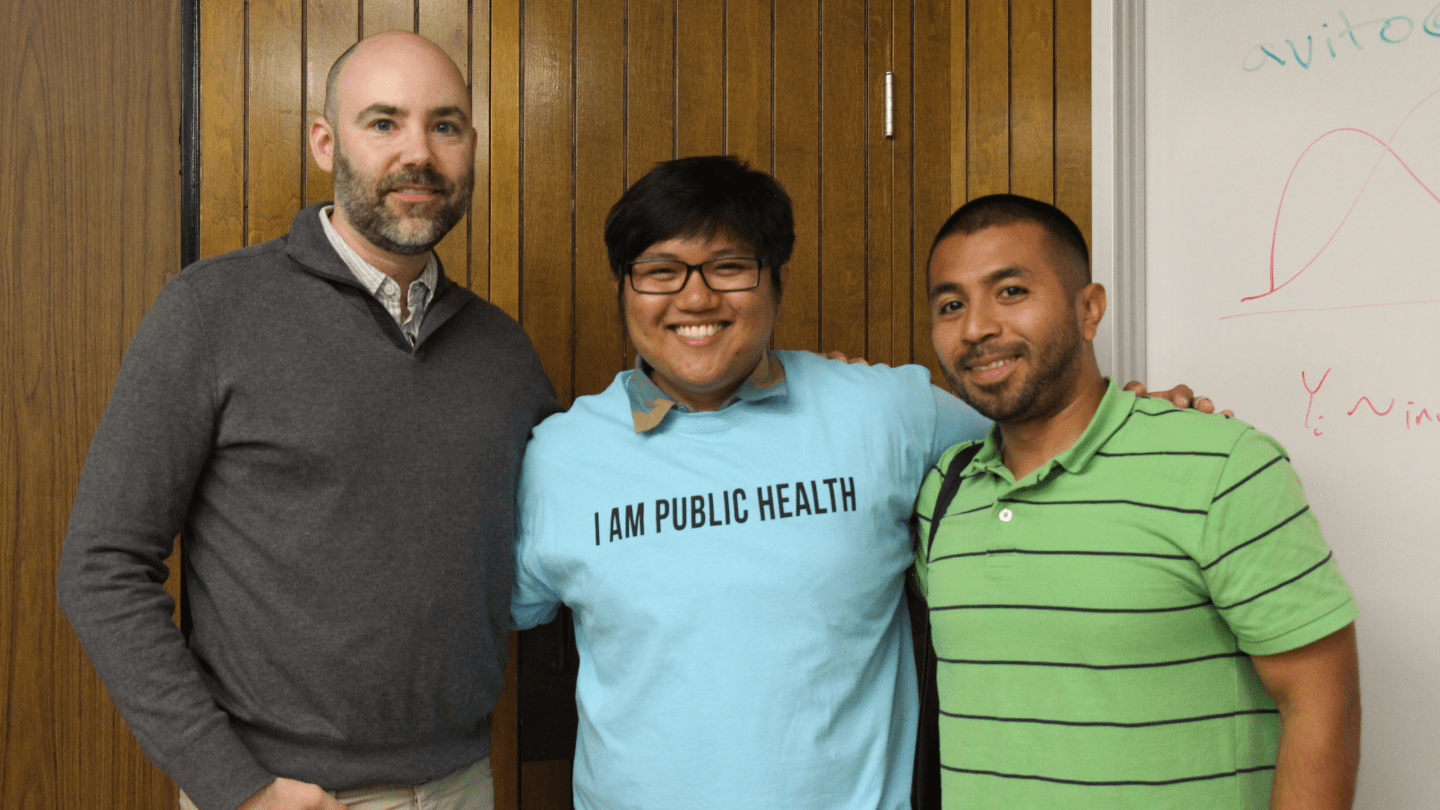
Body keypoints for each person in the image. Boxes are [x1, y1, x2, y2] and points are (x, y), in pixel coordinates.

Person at [508, 157, 1209, 810]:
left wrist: (1141, 428)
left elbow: (1039, 441)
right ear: (623, 289)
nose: (696, 297)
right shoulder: (559, 457)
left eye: (729, 267)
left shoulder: (888, 413)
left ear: (778, 281)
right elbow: (501, 620)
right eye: (659, 270)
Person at [57, 32, 555, 810]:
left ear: (471, 147)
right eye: (383, 123)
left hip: (462, 786)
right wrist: (237, 788)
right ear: (326, 142)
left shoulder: (505, 354)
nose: (417, 153)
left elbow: (587, 520)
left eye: (445, 125)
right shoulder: (211, 312)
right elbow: (102, 566)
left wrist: (806, 388)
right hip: (280, 795)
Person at [915, 194, 1361, 809]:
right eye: (951, 304)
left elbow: (1322, 703)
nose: (976, 328)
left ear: (1088, 308)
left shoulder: (1222, 465)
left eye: (1011, 291)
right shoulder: (945, 491)